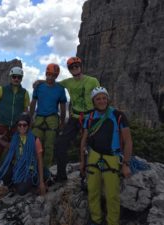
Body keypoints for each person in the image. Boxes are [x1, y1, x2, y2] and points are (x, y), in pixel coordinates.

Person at [79, 87, 132, 225]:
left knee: (112, 195)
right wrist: (82, 162)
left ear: (107, 99)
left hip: (112, 157)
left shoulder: (118, 115)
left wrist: (126, 164)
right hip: (93, 156)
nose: (102, 101)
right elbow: (84, 141)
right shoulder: (90, 117)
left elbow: (128, 141)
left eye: (104, 98)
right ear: (93, 101)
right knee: (93, 191)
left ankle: (112, 222)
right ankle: (96, 220)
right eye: (98, 98)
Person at [54, 57, 100, 182]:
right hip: (75, 118)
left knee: (93, 145)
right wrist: (40, 82)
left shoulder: (93, 81)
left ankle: (91, 173)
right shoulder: (68, 82)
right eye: (72, 67)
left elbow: (99, 98)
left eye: (76, 66)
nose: (75, 69)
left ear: (81, 66)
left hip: (90, 116)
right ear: (69, 70)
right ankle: (61, 175)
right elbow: (52, 84)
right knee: (60, 143)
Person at [0, 66, 30, 191]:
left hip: (17, 128)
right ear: (10, 77)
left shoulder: (25, 93)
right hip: (2, 127)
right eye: (14, 76)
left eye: (19, 77)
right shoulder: (1, 90)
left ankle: (10, 180)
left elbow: (25, 112)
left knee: (15, 155)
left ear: (21, 79)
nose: (16, 79)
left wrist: (26, 128)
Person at [0, 113, 46, 196]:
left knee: (21, 190)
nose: (22, 127)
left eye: (24, 125)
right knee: (4, 177)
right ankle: (15, 184)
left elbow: (40, 160)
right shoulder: (16, 138)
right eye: (19, 125)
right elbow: (9, 146)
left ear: (28, 126)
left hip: (30, 169)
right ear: (17, 126)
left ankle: (27, 185)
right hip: (17, 166)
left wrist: (41, 182)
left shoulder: (35, 140)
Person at [30, 63, 67, 172]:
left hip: (52, 119)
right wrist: (30, 118)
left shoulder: (60, 89)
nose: (51, 77)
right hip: (39, 117)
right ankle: (33, 168)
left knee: (49, 147)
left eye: (54, 75)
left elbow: (63, 106)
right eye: (49, 74)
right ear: (46, 74)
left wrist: (62, 122)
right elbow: (33, 103)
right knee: (34, 144)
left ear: (56, 76)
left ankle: (45, 171)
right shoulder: (39, 87)